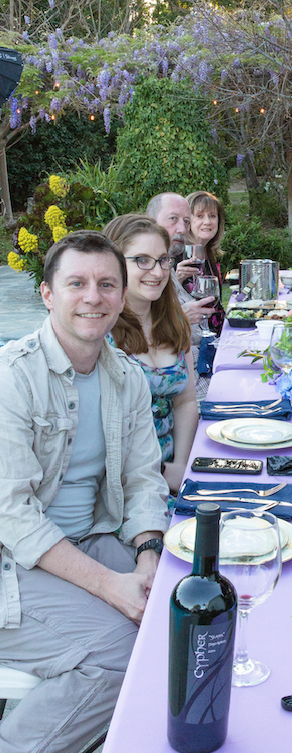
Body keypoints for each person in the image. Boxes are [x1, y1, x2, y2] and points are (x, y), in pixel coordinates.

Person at [0, 231, 169, 753]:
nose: (93, 297)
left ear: (121, 296)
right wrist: (108, 586)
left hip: (89, 538)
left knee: (181, 610)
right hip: (14, 561)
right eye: (77, 283)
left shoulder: (125, 377)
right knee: (122, 653)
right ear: (48, 293)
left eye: (106, 284)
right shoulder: (13, 377)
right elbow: (14, 515)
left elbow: (144, 479)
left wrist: (145, 559)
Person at [104, 214, 199, 495]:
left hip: (173, 474)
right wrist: (160, 473)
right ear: (115, 265)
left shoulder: (173, 322)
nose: (157, 272)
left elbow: (186, 401)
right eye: (142, 260)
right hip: (126, 486)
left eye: (162, 260)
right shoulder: (103, 335)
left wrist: (181, 465)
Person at [145, 191, 215, 328]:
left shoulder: (167, 265)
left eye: (186, 221)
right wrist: (180, 317)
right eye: (173, 219)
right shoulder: (142, 270)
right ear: (151, 221)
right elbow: (138, 332)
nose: (182, 229)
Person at [180, 190, 227, 337]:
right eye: (199, 216)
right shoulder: (177, 257)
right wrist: (175, 280)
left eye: (212, 216)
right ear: (187, 221)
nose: (207, 221)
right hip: (191, 341)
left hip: (216, 337)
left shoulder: (210, 256)